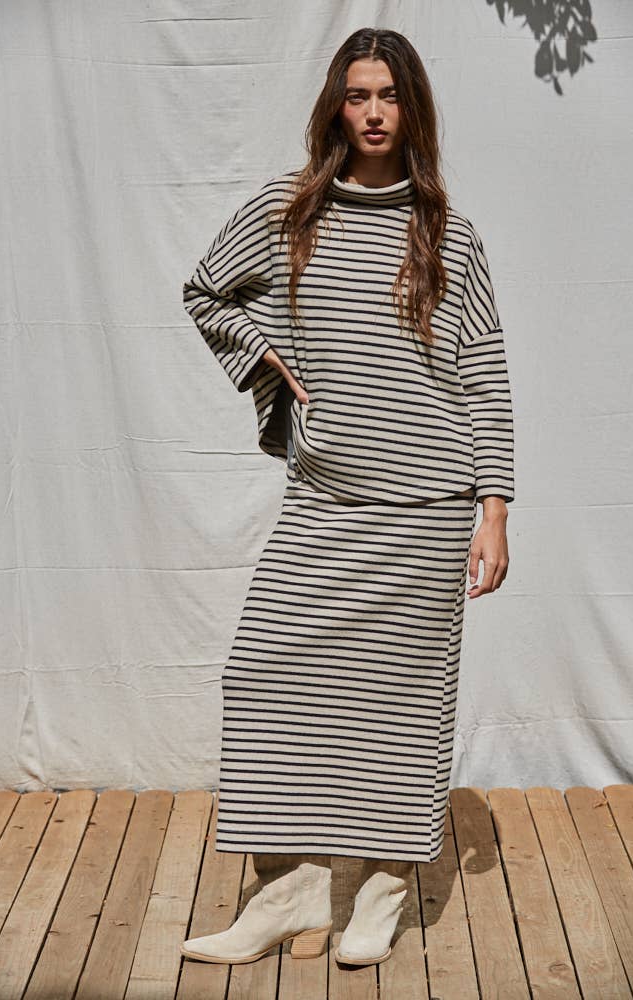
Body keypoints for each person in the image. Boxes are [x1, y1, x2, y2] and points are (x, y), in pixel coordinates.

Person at [180, 27, 514, 968]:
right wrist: (266, 356)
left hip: (428, 505)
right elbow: (208, 290)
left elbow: (483, 374)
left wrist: (494, 508)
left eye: (390, 96)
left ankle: (379, 886)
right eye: (358, 94)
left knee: (398, 702)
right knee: (264, 676)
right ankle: (284, 893)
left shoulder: (447, 233)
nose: (373, 112)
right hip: (327, 499)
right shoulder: (293, 213)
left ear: (413, 110)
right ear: (335, 105)